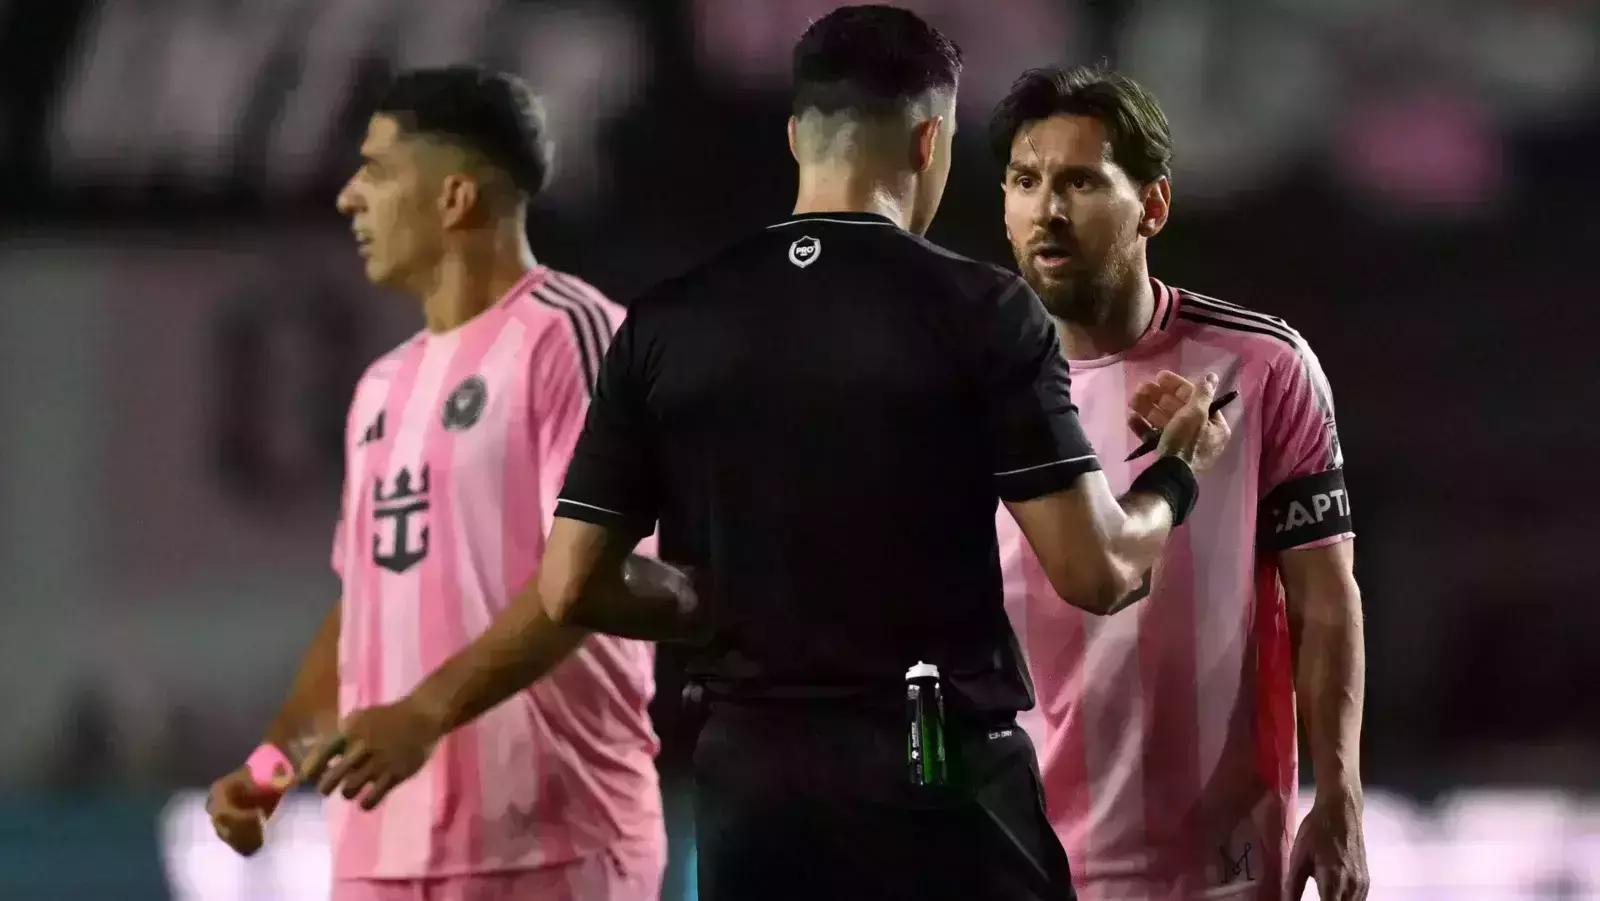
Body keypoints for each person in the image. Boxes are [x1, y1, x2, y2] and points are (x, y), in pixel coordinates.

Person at [300, 8, 1229, 901]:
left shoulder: (668, 321)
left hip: (749, 791)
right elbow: (1097, 570)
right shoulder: (980, 310)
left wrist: (709, 599)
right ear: (928, 142)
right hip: (932, 777)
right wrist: (1175, 473)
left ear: (796, 138)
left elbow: (572, 582)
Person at [202, 66, 666, 901]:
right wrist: (271, 767)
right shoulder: (380, 388)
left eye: (376, 170)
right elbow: (363, 614)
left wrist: (426, 710)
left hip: (553, 847)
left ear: (455, 196)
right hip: (379, 858)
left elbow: (593, 577)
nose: (349, 197)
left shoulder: (576, 337)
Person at [988, 64, 1370, 901]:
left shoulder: (1262, 366)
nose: (1048, 210)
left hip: (1216, 867)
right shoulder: (971, 382)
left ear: (1152, 205)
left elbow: (1324, 596)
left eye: (1081, 181)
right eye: (1025, 181)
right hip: (1015, 857)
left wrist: (1341, 796)